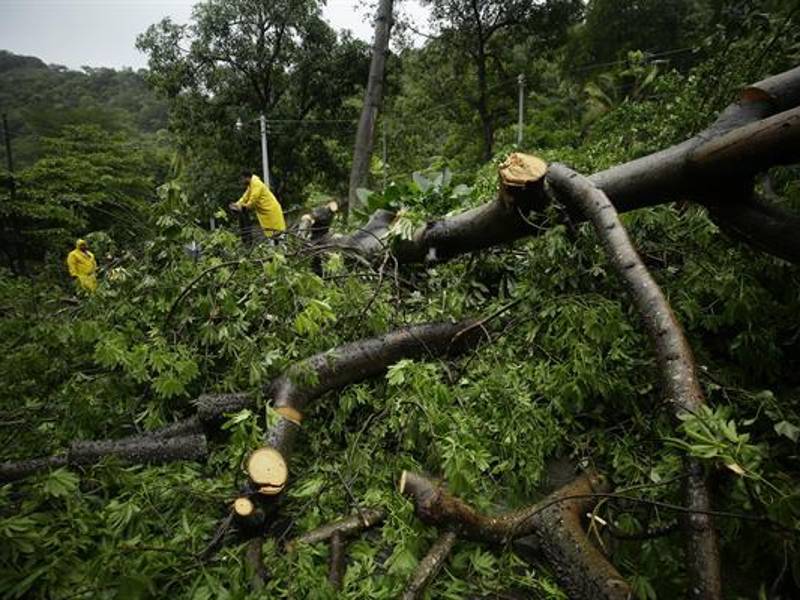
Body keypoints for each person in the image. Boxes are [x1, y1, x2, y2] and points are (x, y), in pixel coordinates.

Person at [229, 170, 286, 240]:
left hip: (271, 210)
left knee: (278, 232)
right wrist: (237, 204)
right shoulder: (251, 184)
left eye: (242, 179)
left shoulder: (256, 184)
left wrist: (245, 207)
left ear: (246, 177)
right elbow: (246, 196)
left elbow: (253, 198)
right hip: (266, 211)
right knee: (272, 234)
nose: (241, 181)